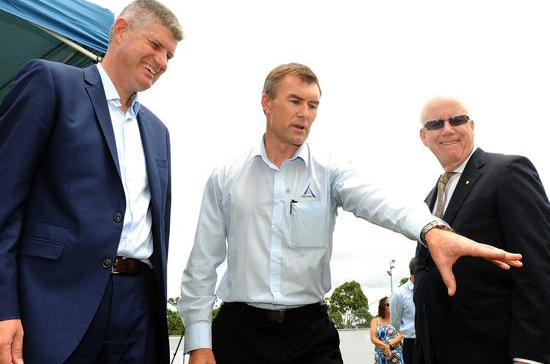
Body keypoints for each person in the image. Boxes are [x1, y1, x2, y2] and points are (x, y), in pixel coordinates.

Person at [178, 63, 523, 364]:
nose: (305, 113)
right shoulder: (225, 177)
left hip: (308, 333)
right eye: (295, 101)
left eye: (313, 105)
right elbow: (201, 265)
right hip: (239, 333)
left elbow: (380, 199)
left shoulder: (330, 171)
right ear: (266, 103)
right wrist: (199, 343)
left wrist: (432, 229)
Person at [0, 0, 183, 363]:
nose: (162, 62)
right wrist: (4, 307)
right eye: (155, 45)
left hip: (138, 312)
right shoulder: (50, 82)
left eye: (170, 56)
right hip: (56, 306)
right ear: (120, 31)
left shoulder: (159, 133)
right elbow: (4, 204)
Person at [413, 96, 550, 364]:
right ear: (424, 136)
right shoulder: (430, 200)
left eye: (456, 120)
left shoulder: (508, 171)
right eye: (436, 124)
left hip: (495, 351)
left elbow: (536, 270)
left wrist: (529, 356)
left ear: (471, 125)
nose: (447, 129)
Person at [390, 258, 416, 364]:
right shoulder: (399, 294)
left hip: (430, 341)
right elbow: (395, 322)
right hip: (411, 343)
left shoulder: (427, 289)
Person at [372, 297, 404, 364]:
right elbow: (373, 338)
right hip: (381, 355)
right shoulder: (375, 321)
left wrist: (389, 346)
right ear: (382, 307)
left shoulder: (397, 319)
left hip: (396, 355)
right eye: (388, 304)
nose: (391, 306)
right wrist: (385, 346)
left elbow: (400, 336)